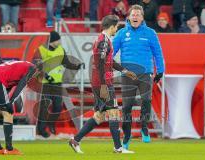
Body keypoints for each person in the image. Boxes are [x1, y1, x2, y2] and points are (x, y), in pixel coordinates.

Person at [68, 15, 137, 154]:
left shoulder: (104, 40)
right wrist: (104, 85)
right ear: (111, 26)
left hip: (100, 83)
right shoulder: (103, 41)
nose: (116, 30)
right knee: (114, 113)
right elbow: (99, 64)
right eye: (116, 27)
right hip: (103, 84)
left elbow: (108, 62)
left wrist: (125, 71)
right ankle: (118, 148)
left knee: (99, 116)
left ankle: (75, 140)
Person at [112, 4, 165, 149]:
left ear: (142, 17)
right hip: (127, 75)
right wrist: (105, 63)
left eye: (138, 15)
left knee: (146, 101)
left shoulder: (150, 33)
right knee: (127, 107)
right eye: (133, 14)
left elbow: (158, 53)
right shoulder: (122, 33)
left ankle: (144, 127)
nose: (135, 17)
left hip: (145, 73)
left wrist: (160, 71)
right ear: (128, 17)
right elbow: (111, 51)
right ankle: (127, 136)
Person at [0, 60, 43, 155]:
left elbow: (7, 85)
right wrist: (11, 102)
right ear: (38, 70)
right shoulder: (32, 68)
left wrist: (7, 99)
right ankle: (9, 149)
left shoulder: (21, 65)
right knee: (8, 114)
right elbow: (21, 86)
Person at [33, 31, 84, 138]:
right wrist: (46, 76)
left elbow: (67, 63)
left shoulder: (61, 50)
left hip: (57, 83)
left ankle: (51, 125)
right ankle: (41, 130)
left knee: (57, 107)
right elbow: (36, 66)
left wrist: (77, 66)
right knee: (44, 107)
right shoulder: (41, 50)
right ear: (53, 41)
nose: (60, 42)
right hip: (45, 84)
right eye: (58, 40)